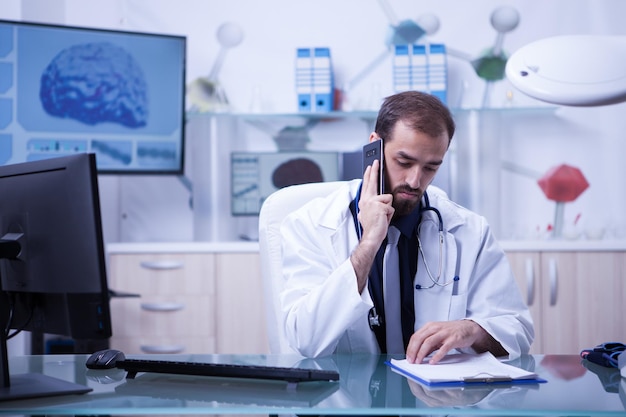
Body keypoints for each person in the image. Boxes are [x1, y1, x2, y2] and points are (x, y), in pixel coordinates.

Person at [278, 90, 534, 363]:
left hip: (435, 399)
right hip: (346, 400)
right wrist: (369, 244)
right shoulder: (310, 224)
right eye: (404, 162)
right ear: (374, 148)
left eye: (431, 167)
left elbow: (517, 330)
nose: (415, 181)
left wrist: (473, 330)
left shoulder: (469, 230)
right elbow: (305, 339)